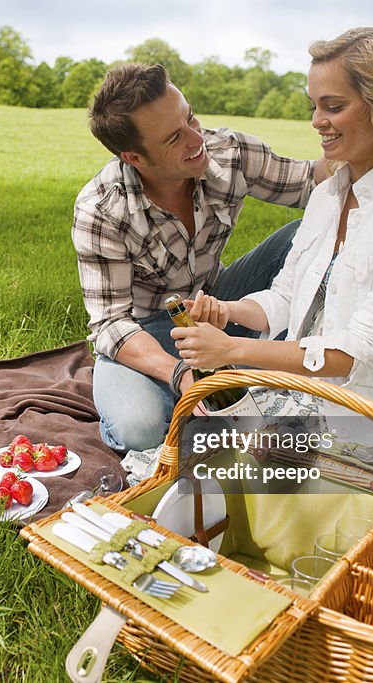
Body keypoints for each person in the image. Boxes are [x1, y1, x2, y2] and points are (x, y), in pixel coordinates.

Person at [170, 27, 373, 472]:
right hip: (305, 401)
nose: (317, 120)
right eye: (314, 106)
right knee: (189, 471)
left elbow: (357, 350)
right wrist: (228, 311)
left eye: (333, 106)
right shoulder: (328, 194)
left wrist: (231, 352)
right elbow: (284, 298)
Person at [74, 63, 327, 453]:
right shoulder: (102, 209)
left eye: (190, 117)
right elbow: (110, 323)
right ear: (135, 157)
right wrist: (179, 373)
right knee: (138, 430)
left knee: (300, 238)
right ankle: (196, 387)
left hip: (215, 305)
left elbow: (314, 182)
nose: (197, 139)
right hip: (145, 331)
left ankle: (266, 367)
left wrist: (367, 139)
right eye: (174, 137)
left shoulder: (229, 152)